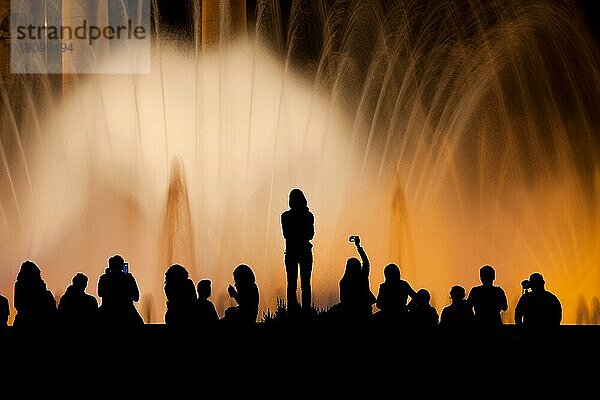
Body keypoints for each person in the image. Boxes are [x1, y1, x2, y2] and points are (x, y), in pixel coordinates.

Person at [281, 188, 315, 312]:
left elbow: (286, 235)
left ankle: (292, 310)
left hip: (291, 252)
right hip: (305, 251)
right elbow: (311, 235)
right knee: (305, 284)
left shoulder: (285, 216)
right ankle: (306, 310)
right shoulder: (308, 215)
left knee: (292, 284)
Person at [97, 254, 144, 332]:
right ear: (122, 266)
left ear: (110, 267)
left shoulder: (104, 278)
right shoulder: (128, 278)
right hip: (127, 313)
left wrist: (106, 277)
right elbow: (136, 297)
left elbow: (100, 293)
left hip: (107, 313)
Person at [13, 260, 58, 334]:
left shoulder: (44, 291)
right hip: (30, 324)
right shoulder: (21, 285)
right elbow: (19, 305)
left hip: (33, 323)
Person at [338, 235, 376, 321]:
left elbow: (343, 299)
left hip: (350, 313)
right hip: (364, 310)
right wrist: (358, 246)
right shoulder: (362, 276)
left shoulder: (344, 282)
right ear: (359, 266)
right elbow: (366, 262)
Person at [467, 265, 508, 329]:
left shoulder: (475, 291)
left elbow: (468, 307)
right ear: (494, 277)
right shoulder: (498, 291)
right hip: (495, 323)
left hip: (479, 324)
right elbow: (505, 307)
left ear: (481, 277)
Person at [164, 264, 197, 334]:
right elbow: (194, 299)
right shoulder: (188, 283)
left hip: (173, 316)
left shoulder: (168, 287)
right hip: (188, 317)